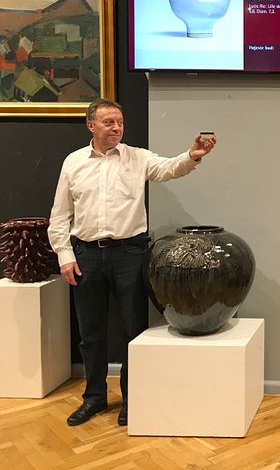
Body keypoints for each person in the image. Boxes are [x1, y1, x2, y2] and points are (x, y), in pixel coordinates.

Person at [48, 98, 216, 427]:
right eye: (109, 122)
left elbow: (168, 168)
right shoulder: (73, 163)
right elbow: (59, 216)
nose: (116, 127)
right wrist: (64, 255)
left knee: (133, 331)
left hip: (130, 254)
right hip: (86, 256)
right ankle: (94, 398)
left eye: (120, 122)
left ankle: (132, 399)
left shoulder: (137, 157)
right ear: (91, 126)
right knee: (91, 333)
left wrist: (192, 156)